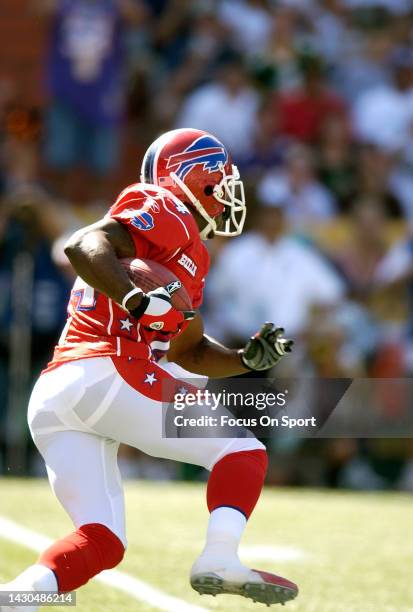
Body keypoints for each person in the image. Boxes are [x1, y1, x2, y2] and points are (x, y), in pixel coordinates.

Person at [0, 128, 298, 610]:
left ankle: (16, 598)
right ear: (193, 178)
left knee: (102, 541)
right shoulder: (166, 208)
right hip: (107, 368)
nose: (227, 195)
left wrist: (245, 360)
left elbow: (189, 350)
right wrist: (136, 299)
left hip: (60, 393)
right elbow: (83, 244)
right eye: (221, 181)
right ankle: (220, 557)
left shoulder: (189, 253)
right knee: (242, 452)